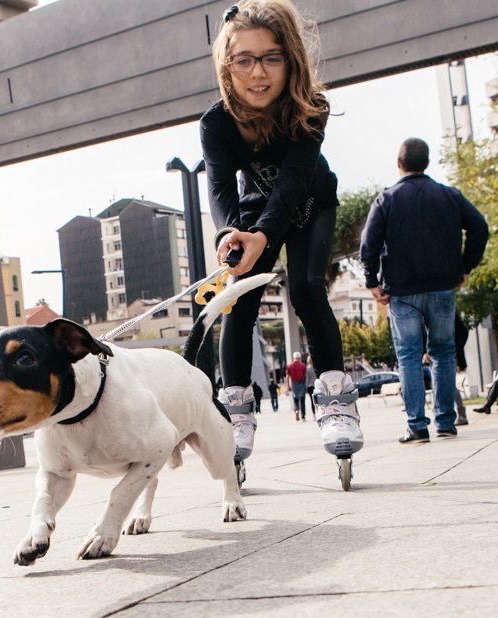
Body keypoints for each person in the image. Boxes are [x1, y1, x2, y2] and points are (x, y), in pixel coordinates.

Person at [202, 0, 364, 469]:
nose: (258, 73)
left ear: (290, 59)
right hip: (256, 210)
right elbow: (219, 187)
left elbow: (293, 182)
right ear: (227, 65)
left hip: (312, 203)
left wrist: (265, 234)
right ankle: (235, 410)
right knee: (239, 296)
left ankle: (335, 399)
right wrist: (231, 234)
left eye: (271, 58)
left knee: (308, 289)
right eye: (244, 60)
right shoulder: (216, 122)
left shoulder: (310, 108)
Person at [360, 137, 488, 444]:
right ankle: (446, 422)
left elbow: (369, 243)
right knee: (444, 353)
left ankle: (417, 426)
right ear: (427, 163)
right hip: (443, 285)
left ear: (399, 163)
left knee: (409, 356)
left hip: (402, 289)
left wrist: (372, 281)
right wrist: (466, 266)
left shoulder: (386, 199)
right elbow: (479, 227)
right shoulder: (450, 195)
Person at [286, 352, 307, 421]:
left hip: (294, 384)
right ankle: (303, 416)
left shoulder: (290, 366)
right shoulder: (303, 365)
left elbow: (287, 377)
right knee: (302, 401)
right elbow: (305, 376)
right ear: (299, 358)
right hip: (302, 383)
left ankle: (297, 410)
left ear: (294, 358)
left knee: (295, 400)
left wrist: (288, 386)